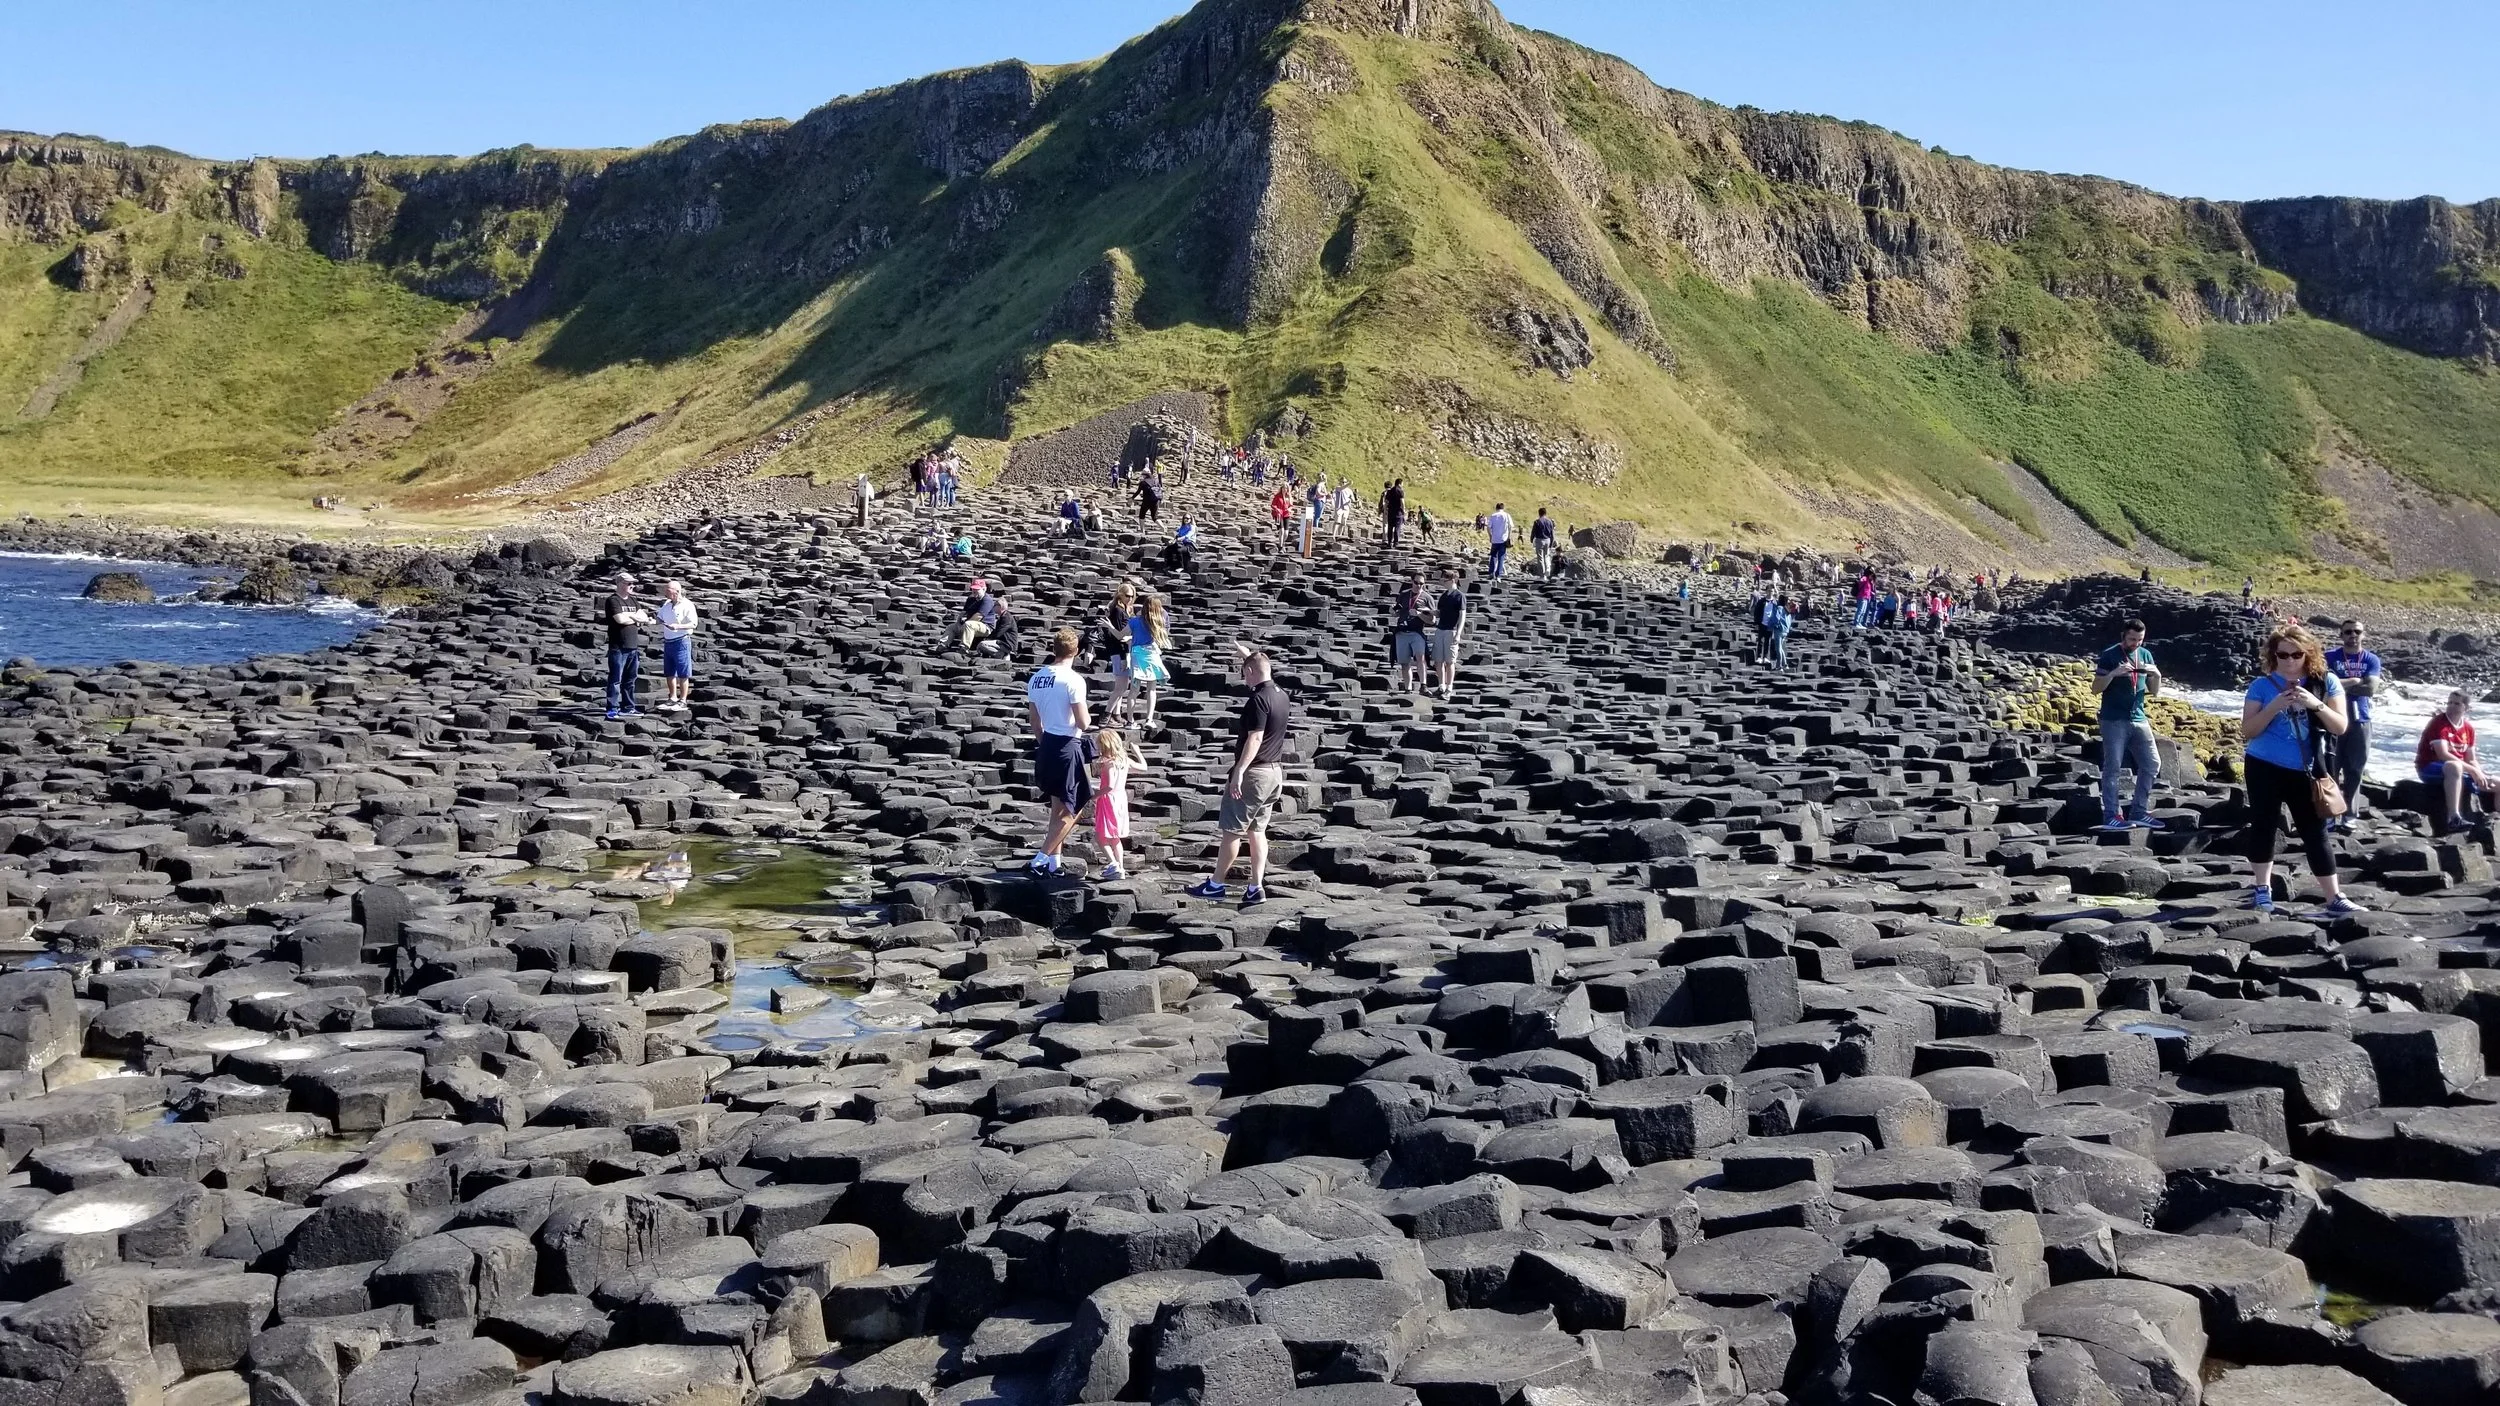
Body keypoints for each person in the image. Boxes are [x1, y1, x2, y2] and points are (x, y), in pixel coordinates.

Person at [2241, 624, 2363, 914]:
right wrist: (2272, 707)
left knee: (2315, 831)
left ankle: (2334, 897)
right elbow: (2248, 731)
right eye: (2282, 655)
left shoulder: (2326, 682)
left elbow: (2341, 726)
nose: (2289, 661)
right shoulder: (2261, 686)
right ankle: (2262, 890)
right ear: (2273, 655)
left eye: (2296, 654)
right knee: (2264, 826)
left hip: (2307, 770)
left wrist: (2314, 703)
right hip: (2264, 765)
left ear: (2308, 654)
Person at [1187, 648, 1292, 907]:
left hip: (1254, 774)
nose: (1244, 680)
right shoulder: (1281, 695)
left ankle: (1216, 885)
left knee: (1232, 831)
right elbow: (1257, 661)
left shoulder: (1258, 700)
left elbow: (1255, 738)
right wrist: (1249, 654)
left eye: (1244, 674)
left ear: (1250, 672)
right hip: (1274, 772)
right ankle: (1256, 887)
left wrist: (1240, 771)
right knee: (1257, 831)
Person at [1025, 628, 1094, 876]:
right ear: (1075, 651)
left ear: (1054, 649)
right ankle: (1040, 859)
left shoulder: (1036, 678)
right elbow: (1083, 722)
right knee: (1075, 808)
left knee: (1059, 808)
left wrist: (1045, 742)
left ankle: (1055, 864)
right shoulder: (1074, 680)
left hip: (1047, 746)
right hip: (1068, 746)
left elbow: (1035, 721)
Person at [2092, 618, 2163, 830]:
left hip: (2139, 718)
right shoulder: (2109, 655)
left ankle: (2139, 811)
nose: (2136, 643)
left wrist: (2156, 674)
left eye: (2140, 639)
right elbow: (2096, 688)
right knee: (2113, 767)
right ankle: (2112, 815)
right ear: (2124, 635)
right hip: (2113, 719)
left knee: (2152, 763)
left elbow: (2154, 691)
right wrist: (2114, 674)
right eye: (2132, 639)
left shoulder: (2146, 655)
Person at [2323, 621, 2383, 827]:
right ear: (2341, 635)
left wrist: (2338, 684)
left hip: (2361, 719)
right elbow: (2323, 684)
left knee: (2355, 769)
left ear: (2363, 635)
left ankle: (2350, 815)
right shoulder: (2329, 657)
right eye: (2348, 632)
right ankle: (2330, 813)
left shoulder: (2371, 659)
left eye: (2357, 631)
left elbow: (2370, 689)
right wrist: (2356, 681)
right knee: (2331, 767)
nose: (2353, 635)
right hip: (2332, 717)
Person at [2418, 690, 2497, 835]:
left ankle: (2496, 820)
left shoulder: (2468, 728)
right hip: (2430, 767)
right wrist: (2472, 770)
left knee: (2497, 782)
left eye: (2457, 703)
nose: (2451, 706)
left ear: (2466, 708)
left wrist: (2480, 773)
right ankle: (2454, 818)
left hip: (2460, 770)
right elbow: (2443, 754)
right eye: (2449, 703)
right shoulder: (2439, 723)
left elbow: (2471, 758)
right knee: (2454, 766)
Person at [1090, 728, 1145, 880]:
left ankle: (1113, 863)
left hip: (1108, 801)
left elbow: (1109, 786)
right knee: (1115, 838)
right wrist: (1138, 752)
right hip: (1121, 799)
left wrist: (1094, 796)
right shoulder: (1124, 760)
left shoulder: (1108, 764)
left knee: (1101, 836)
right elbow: (1144, 767)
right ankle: (1120, 868)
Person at [601, 573, 651, 720]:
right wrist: (635, 618)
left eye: (633, 584)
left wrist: (634, 618)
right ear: (620, 583)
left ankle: (628, 707)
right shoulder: (613, 601)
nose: (632, 586)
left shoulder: (633, 600)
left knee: (630, 680)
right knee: (615, 679)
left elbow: (644, 618)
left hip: (633, 646)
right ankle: (612, 708)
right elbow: (619, 619)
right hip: (618, 646)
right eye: (629, 584)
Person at [655, 579, 700, 712]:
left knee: (683, 672)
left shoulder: (687, 605)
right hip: (668, 641)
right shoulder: (667, 604)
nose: (665, 593)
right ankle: (672, 697)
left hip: (681, 641)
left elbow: (693, 624)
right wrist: (650, 620)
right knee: (669, 671)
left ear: (677, 592)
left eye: (668, 591)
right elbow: (660, 618)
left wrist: (678, 626)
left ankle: (683, 700)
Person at [1098, 581, 1139, 721]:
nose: (1130, 599)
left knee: (1121, 685)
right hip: (1120, 651)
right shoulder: (1119, 611)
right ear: (1120, 595)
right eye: (1127, 596)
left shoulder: (1122, 610)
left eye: (1132, 596)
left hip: (1120, 651)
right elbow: (1120, 637)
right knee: (1121, 687)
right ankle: (1106, 715)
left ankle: (1116, 715)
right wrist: (1124, 657)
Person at [1130, 594, 1172, 730]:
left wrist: (1111, 628)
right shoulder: (1159, 621)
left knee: (1134, 690)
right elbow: (1164, 635)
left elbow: (1121, 634)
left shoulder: (1135, 621)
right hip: (1152, 654)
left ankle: (1130, 721)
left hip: (1136, 655)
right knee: (1151, 690)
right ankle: (1149, 719)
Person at [1392, 571, 1431, 694]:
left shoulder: (1427, 598)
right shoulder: (1403, 595)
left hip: (1417, 632)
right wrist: (1393, 612)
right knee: (1404, 662)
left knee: (1421, 656)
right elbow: (1398, 611)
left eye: (1422, 584)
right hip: (1402, 631)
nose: (1419, 586)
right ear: (1411, 581)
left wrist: (1419, 615)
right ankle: (1408, 689)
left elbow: (1432, 620)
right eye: (1416, 583)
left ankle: (1423, 685)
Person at [1432, 566, 1466, 699]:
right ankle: (1441, 686)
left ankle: (1449, 687)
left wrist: (1458, 633)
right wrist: (1427, 612)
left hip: (1451, 631)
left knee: (1450, 661)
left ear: (1452, 580)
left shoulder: (1460, 596)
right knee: (1438, 660)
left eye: (1445, 580)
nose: (1442, 582)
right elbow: (1439, 613)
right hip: (1440, 630)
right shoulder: (1444, 596)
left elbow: (1462, 616)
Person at [957, 579, 1003, 652]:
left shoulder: (987, 600)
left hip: (986, 626)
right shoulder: (970, 599)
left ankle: (964, 647)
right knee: (951, 627)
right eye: (973, 589)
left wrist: (964, 625)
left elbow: (979, 616)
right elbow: (963, 612)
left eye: (977, 589)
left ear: (984, 589)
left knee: (968, 625)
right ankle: (943, 644)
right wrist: (958, 623)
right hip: (971, 623)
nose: (974, 591)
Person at [1486, 503, 1514, 578]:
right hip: (1503, 539)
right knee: (1501, 557)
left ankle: (1491, 573)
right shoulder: (1507, 515)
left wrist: (1490, 536)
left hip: (1495, 539)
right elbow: (1510, 527)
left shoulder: (1493, 516)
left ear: (1496, 508)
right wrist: (1509, 536)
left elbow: (1488, 527)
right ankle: (1498, 574)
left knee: (1493, 556)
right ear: (1503, 508)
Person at [1530, 508, 1558, 577]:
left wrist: (1531, 539)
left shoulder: (1537, 522)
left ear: (1539, 513)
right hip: (1548, 540)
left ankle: (1542, 574)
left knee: (1540, 558)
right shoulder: (1550, 522)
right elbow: (1552, 534)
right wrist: (1551, 543)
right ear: (1545, 513)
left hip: (1539, 540)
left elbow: (1533, 532)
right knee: (1547, 556)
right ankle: (1548, 569)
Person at [1383, 479, 1406, 548]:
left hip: (1390, 511)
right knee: (1397, 527)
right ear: (1400, 483)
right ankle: (1396, 542)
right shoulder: (1400, 491)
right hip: (1398, 512)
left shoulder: (1390, 491)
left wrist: (1386, 510)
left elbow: (1386, 502)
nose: (1402, 485)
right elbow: (1402, 501)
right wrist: (1404, 510)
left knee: (1390, 527)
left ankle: (1389, 542)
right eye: (1402, 484)